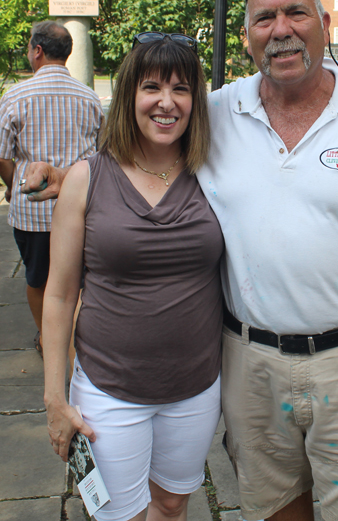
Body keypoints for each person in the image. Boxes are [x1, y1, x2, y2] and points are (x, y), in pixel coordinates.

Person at [23, 0, 338, 521]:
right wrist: (66, 180)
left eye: (295, 12)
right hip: (249, 365)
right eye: (265, 18)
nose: (281, 29)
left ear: (324, 24)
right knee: (272, 506)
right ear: (249, 36)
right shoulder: (221, 112)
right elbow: (139, 157)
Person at [42, 34, 224, 521]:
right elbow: (59, 296)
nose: (166, 103)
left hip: (196, 386)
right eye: (152, 87)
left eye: (181, 89)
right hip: (108, 388)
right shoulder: (86, 178)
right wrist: (54, 398)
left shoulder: (214, 174)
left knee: (170, 504)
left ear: (195, 101)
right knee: (119, 515)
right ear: (129, 96)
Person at [0, 21, 103, 357]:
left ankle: (48, 339)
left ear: (37, 51)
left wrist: (13, 185)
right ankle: (76, 340)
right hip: (81, 208)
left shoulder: (15, 95)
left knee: (37, 279)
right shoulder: (89, 97)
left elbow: (2, 156)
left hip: (32, 213)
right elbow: (102, 156)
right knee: (79, 281)